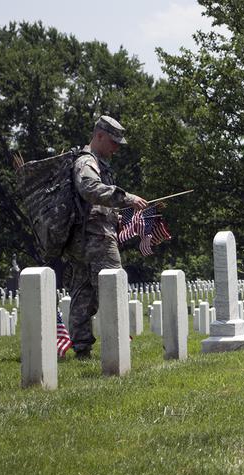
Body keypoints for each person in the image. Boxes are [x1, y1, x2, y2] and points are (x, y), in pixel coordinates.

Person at [64, 116, 148, 358]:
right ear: (99, 135)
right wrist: (126, 198)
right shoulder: (87, 162)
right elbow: (89, 188)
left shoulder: (91, 161)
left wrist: (116, 216)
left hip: (83, 239)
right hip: (96, 239)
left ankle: (82, 351)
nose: (116, 148)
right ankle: (117, 346)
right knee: (113, 288)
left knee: (83, 294)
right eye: (113, 142)